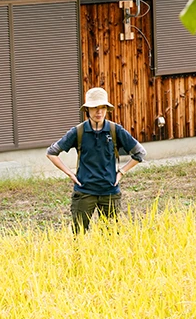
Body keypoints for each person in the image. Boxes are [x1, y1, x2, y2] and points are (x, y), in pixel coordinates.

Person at [46, 87, 146, 232]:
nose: (99, 112)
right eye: (94, 108)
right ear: (87, 110)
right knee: (78, 235)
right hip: (84, 192)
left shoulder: (115, 130)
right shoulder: (78, 131)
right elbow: (51, 153)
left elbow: (140, 153)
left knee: (111, 237)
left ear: (107, 109)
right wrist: (70, 174)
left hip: (110, 192)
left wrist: (122, 172)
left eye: (102, 107)